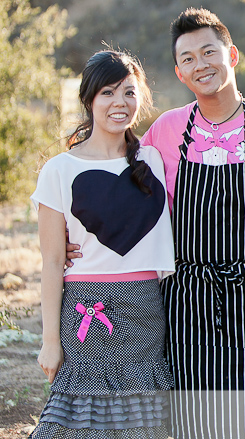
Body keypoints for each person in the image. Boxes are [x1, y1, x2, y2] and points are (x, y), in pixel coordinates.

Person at [70, 7, 245, 438]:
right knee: (196, 413)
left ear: (232, 55)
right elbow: (120, 193)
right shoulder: (164, 132)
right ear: (180, 74)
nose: (200, 65)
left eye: (208, 51)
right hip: (185, 293)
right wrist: (77, 240)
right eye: (187, 59)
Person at [31, 51, 175, 439]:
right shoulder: (59, 170)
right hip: (85, 311)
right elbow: (51, 263)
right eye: (108, 93)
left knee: (141, 421)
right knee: (80, 423)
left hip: (147, 307)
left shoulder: (155, 160)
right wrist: (49, 342)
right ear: (89, 100)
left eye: (129, 93)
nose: (120, 103)